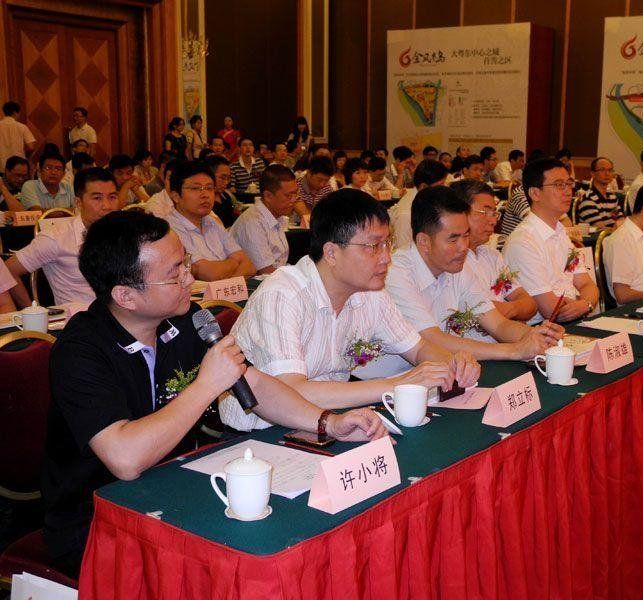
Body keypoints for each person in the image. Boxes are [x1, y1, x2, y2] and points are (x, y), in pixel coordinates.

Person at [42, 210, 388, 578]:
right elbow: (125, 459)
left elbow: (254, 384)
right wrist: (206, 385)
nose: (189, 278)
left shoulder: (184, 319)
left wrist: (327, 423)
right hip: (98, 521)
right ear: (126, 295)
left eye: (185, 263)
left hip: (178, 491)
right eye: (174, 274)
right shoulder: (80, 350)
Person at [224, 188, 480, 422]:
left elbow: (418, 348)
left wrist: (454, 364)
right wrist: (398, 384)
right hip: (258, 431)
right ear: (331, 253)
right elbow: (290, 391)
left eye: (387, 243)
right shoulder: (284, 295)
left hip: (334, 417)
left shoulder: (371, 291)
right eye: (373, 246)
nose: (386, 257)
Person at [377, 185, 562, 376]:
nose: (463, 247)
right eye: (453, 240)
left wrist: (537, 336)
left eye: (466, 236)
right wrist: (514, 351)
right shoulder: (395, 273)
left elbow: (498, 324)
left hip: (443, 370)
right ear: (424, 241)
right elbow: (431, 339)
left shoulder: (457, 266)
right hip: (394, 379)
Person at [503, 158, 600, 323]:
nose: (568, 191)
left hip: (571, 319)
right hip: (541, 328)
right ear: (535, 193)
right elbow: (552, 310)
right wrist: (582, 304)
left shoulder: (560, 232)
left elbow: (587, 285)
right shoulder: (523, 242)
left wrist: (585, 304)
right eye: (559, 185)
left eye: (569, 184)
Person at [6, 167, 121, 305]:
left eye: (112, 197)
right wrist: (31, 311)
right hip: (80, 315)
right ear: (78, 202)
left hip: (124, 313)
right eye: (97, 198)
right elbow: (7, 270)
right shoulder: (56, 238)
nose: (107, 206)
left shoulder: (123, 233)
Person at [452, 180, 537, 326]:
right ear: (460, 213)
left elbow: (530, 304)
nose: (493, 221)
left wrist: (506, 310)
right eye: (485, 212)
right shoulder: (451, 262)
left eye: (494, 213)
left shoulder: (491, 255)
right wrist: (511, 312)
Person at [165, 161, 255, 281]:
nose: (205, 194)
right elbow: (209, 274)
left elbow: (249, 266)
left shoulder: (212, 222)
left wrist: (227, 283)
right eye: (196, 188)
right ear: (176, 196)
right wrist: (234, 262)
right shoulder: (170, 230)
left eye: (209, 188)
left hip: (225, 290)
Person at [230, 165, 296, 274]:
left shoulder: (276, 216)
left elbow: (280, 262)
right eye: (288, 196)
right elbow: (266, 271)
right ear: (268, 196)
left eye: (295, 193)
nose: (294, 200)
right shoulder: (252, 223)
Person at [389, 159, 449, 250]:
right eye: (441, 185)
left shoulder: (427, 199)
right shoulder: (406, 214)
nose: (444, 189)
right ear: (423, 187)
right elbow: (402, 251)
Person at [576, 157, 623, 229]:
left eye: (610, 170)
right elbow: (600, 229)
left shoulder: (613, 197)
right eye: (602, 170)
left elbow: (621, 220)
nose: (607, 174)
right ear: (593, 174)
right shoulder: (588, 200)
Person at [0, 101, 35, 173]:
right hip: (19, 166)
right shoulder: (22, 127)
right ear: (15, 113)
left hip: (1, 166)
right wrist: (26, 157)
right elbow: (31, 147)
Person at [205, 154, 237, 227]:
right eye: (222, 178)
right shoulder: (204, 201)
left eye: (228, 178)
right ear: (209, 175)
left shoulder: (226, 196)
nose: (226, 182)